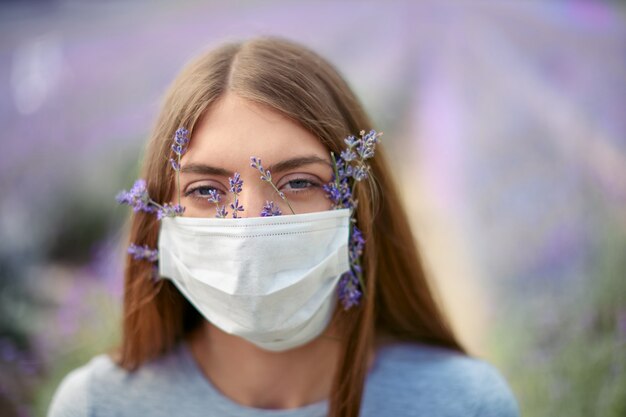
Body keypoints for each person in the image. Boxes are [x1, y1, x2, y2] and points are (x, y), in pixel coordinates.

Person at [48, 36, 519, 417]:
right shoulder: (95, 406)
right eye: (206, 190)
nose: (253, 224)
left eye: (297, 181)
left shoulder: (465, 403)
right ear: (160, 216)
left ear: (358, 206)